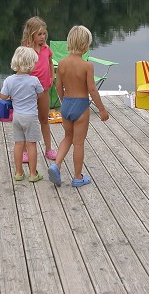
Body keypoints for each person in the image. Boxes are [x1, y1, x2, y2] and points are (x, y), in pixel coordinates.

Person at [48, 25, 109, 187]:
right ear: (84, 45)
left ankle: (57, 164)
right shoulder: (87, 66)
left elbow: (58, 87)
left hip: (66, 104)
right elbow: (92, 89)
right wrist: (101, 109)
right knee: (79, 143)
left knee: (67, 137)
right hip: (81, 106)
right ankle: (77, 177)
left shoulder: (61, 64)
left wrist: (64, 102)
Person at [0, 47, 44, 182]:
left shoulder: (9, 80)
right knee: (31, 145)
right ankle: (32, 174)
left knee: (19, 144)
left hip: (17, 117)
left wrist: (12, 97)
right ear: (31, 64)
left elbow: (3, 96)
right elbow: (41, 95)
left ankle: (18, 173)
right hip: (31, 117)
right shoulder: (34, 80)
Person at [21, 16, 57, 162]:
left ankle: (48, 149)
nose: (42, 37)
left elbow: (49, 64)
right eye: (39, 34)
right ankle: (24, 150)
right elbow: (21, 69)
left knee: (44, 119)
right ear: (31, 34)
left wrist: (52, 77)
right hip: (29, 92)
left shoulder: (46, 49)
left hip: (44, 90)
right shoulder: (26, 50)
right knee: (27, 121)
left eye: (44, 34)